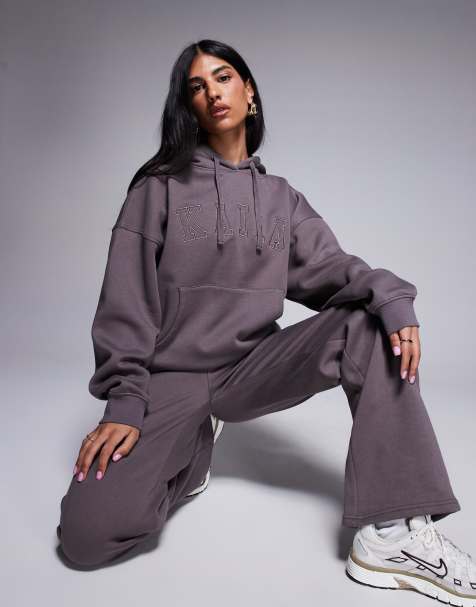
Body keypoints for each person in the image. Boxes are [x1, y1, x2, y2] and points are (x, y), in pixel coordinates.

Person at [56, 39, 475, 602]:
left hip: (251, 369)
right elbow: (125, 304)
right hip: (169, 379)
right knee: (86, 538)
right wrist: (126, 401)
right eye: (197, 86)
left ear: (248, 92)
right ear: (189, 107)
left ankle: (392, 531)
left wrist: (393, 297)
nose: (212, 92)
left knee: (370, 324)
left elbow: (334, 271)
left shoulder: (281, 200)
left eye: (222, 77)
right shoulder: (156, 189)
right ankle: (190, 452)